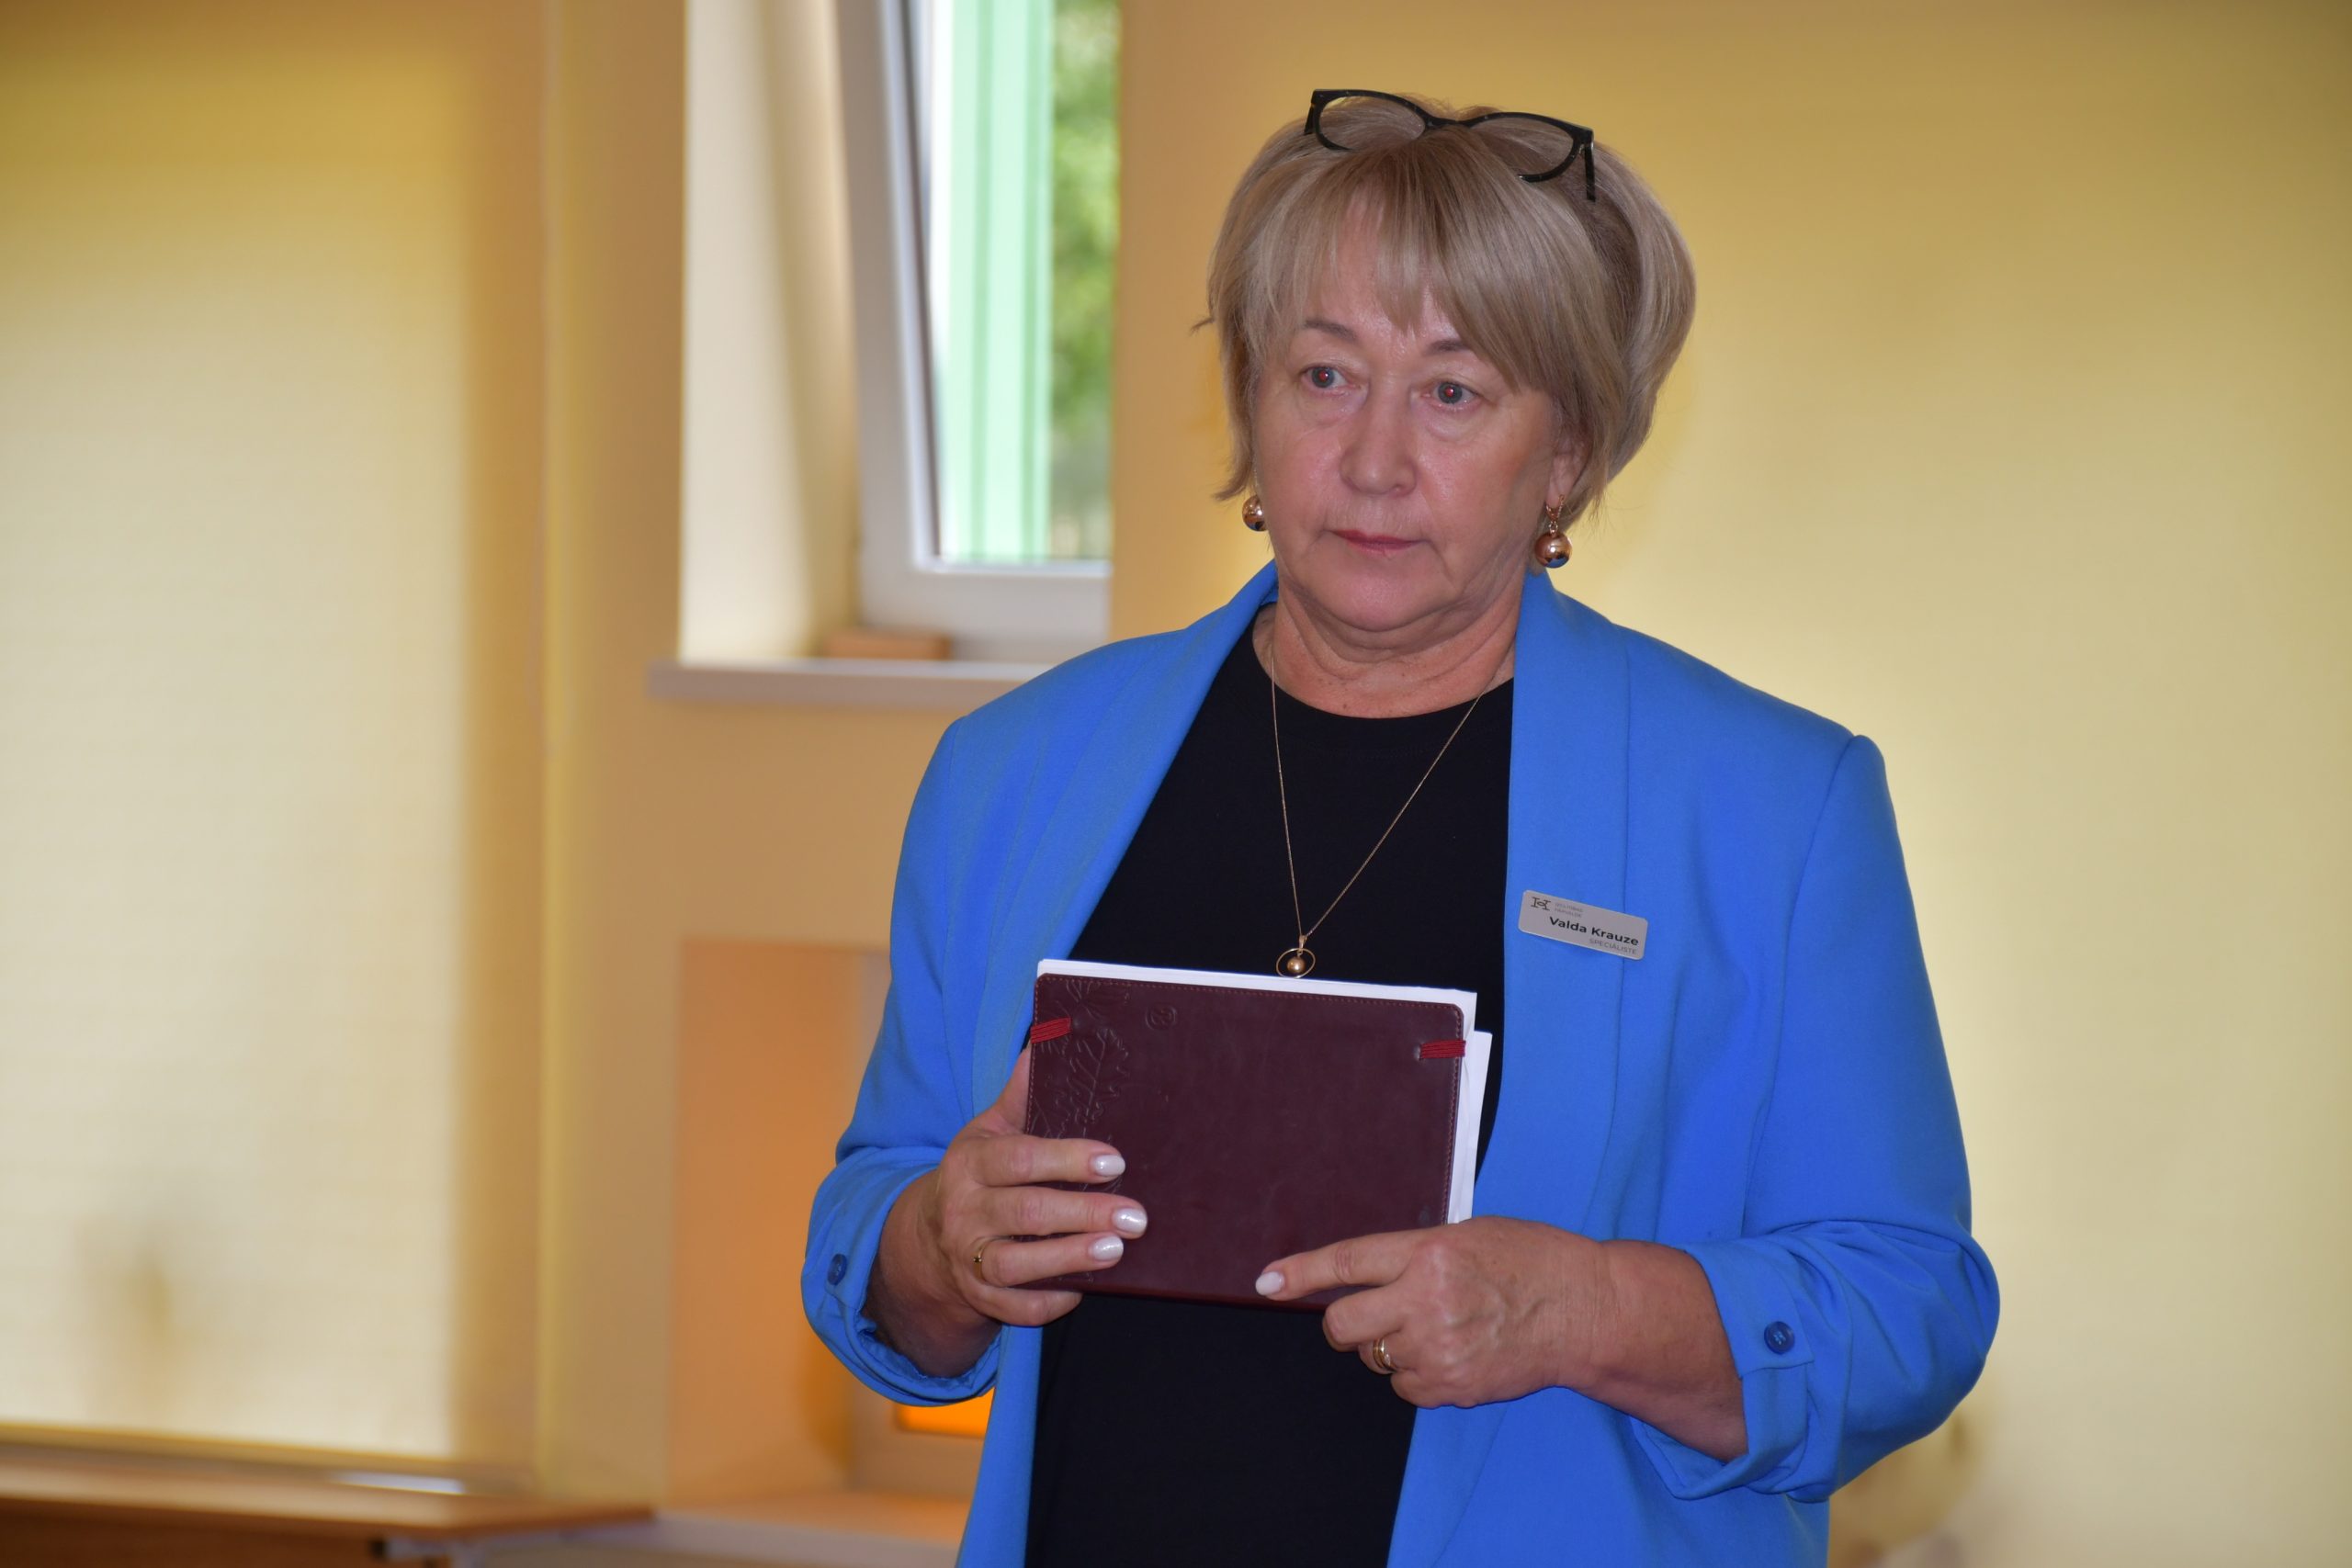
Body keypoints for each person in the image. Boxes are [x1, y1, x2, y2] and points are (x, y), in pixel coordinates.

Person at [803, 89, 1996, 1566]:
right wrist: (935, 1241)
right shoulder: (1014, 770)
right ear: (1250, 403)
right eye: (1324, 375)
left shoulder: (1769, 806)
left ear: (1566, 455)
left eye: (1453, 392)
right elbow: (880, 1225)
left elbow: (1909, 1306)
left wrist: (1580, 1308)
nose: (1372, 460)